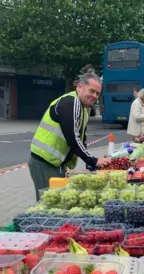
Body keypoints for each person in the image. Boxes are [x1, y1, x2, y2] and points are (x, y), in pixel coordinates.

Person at [29, 71, 110, 200]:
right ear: (79, 87)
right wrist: (93, 160)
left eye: (98, 93)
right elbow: (72, 137)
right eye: (92, 91)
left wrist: (90, 164)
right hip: (45, 162)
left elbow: (81, 138)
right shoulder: (71, 103)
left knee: (56, 201)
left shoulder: (83, 109)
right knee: (48, 203)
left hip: (55, 162)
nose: (94, 96)